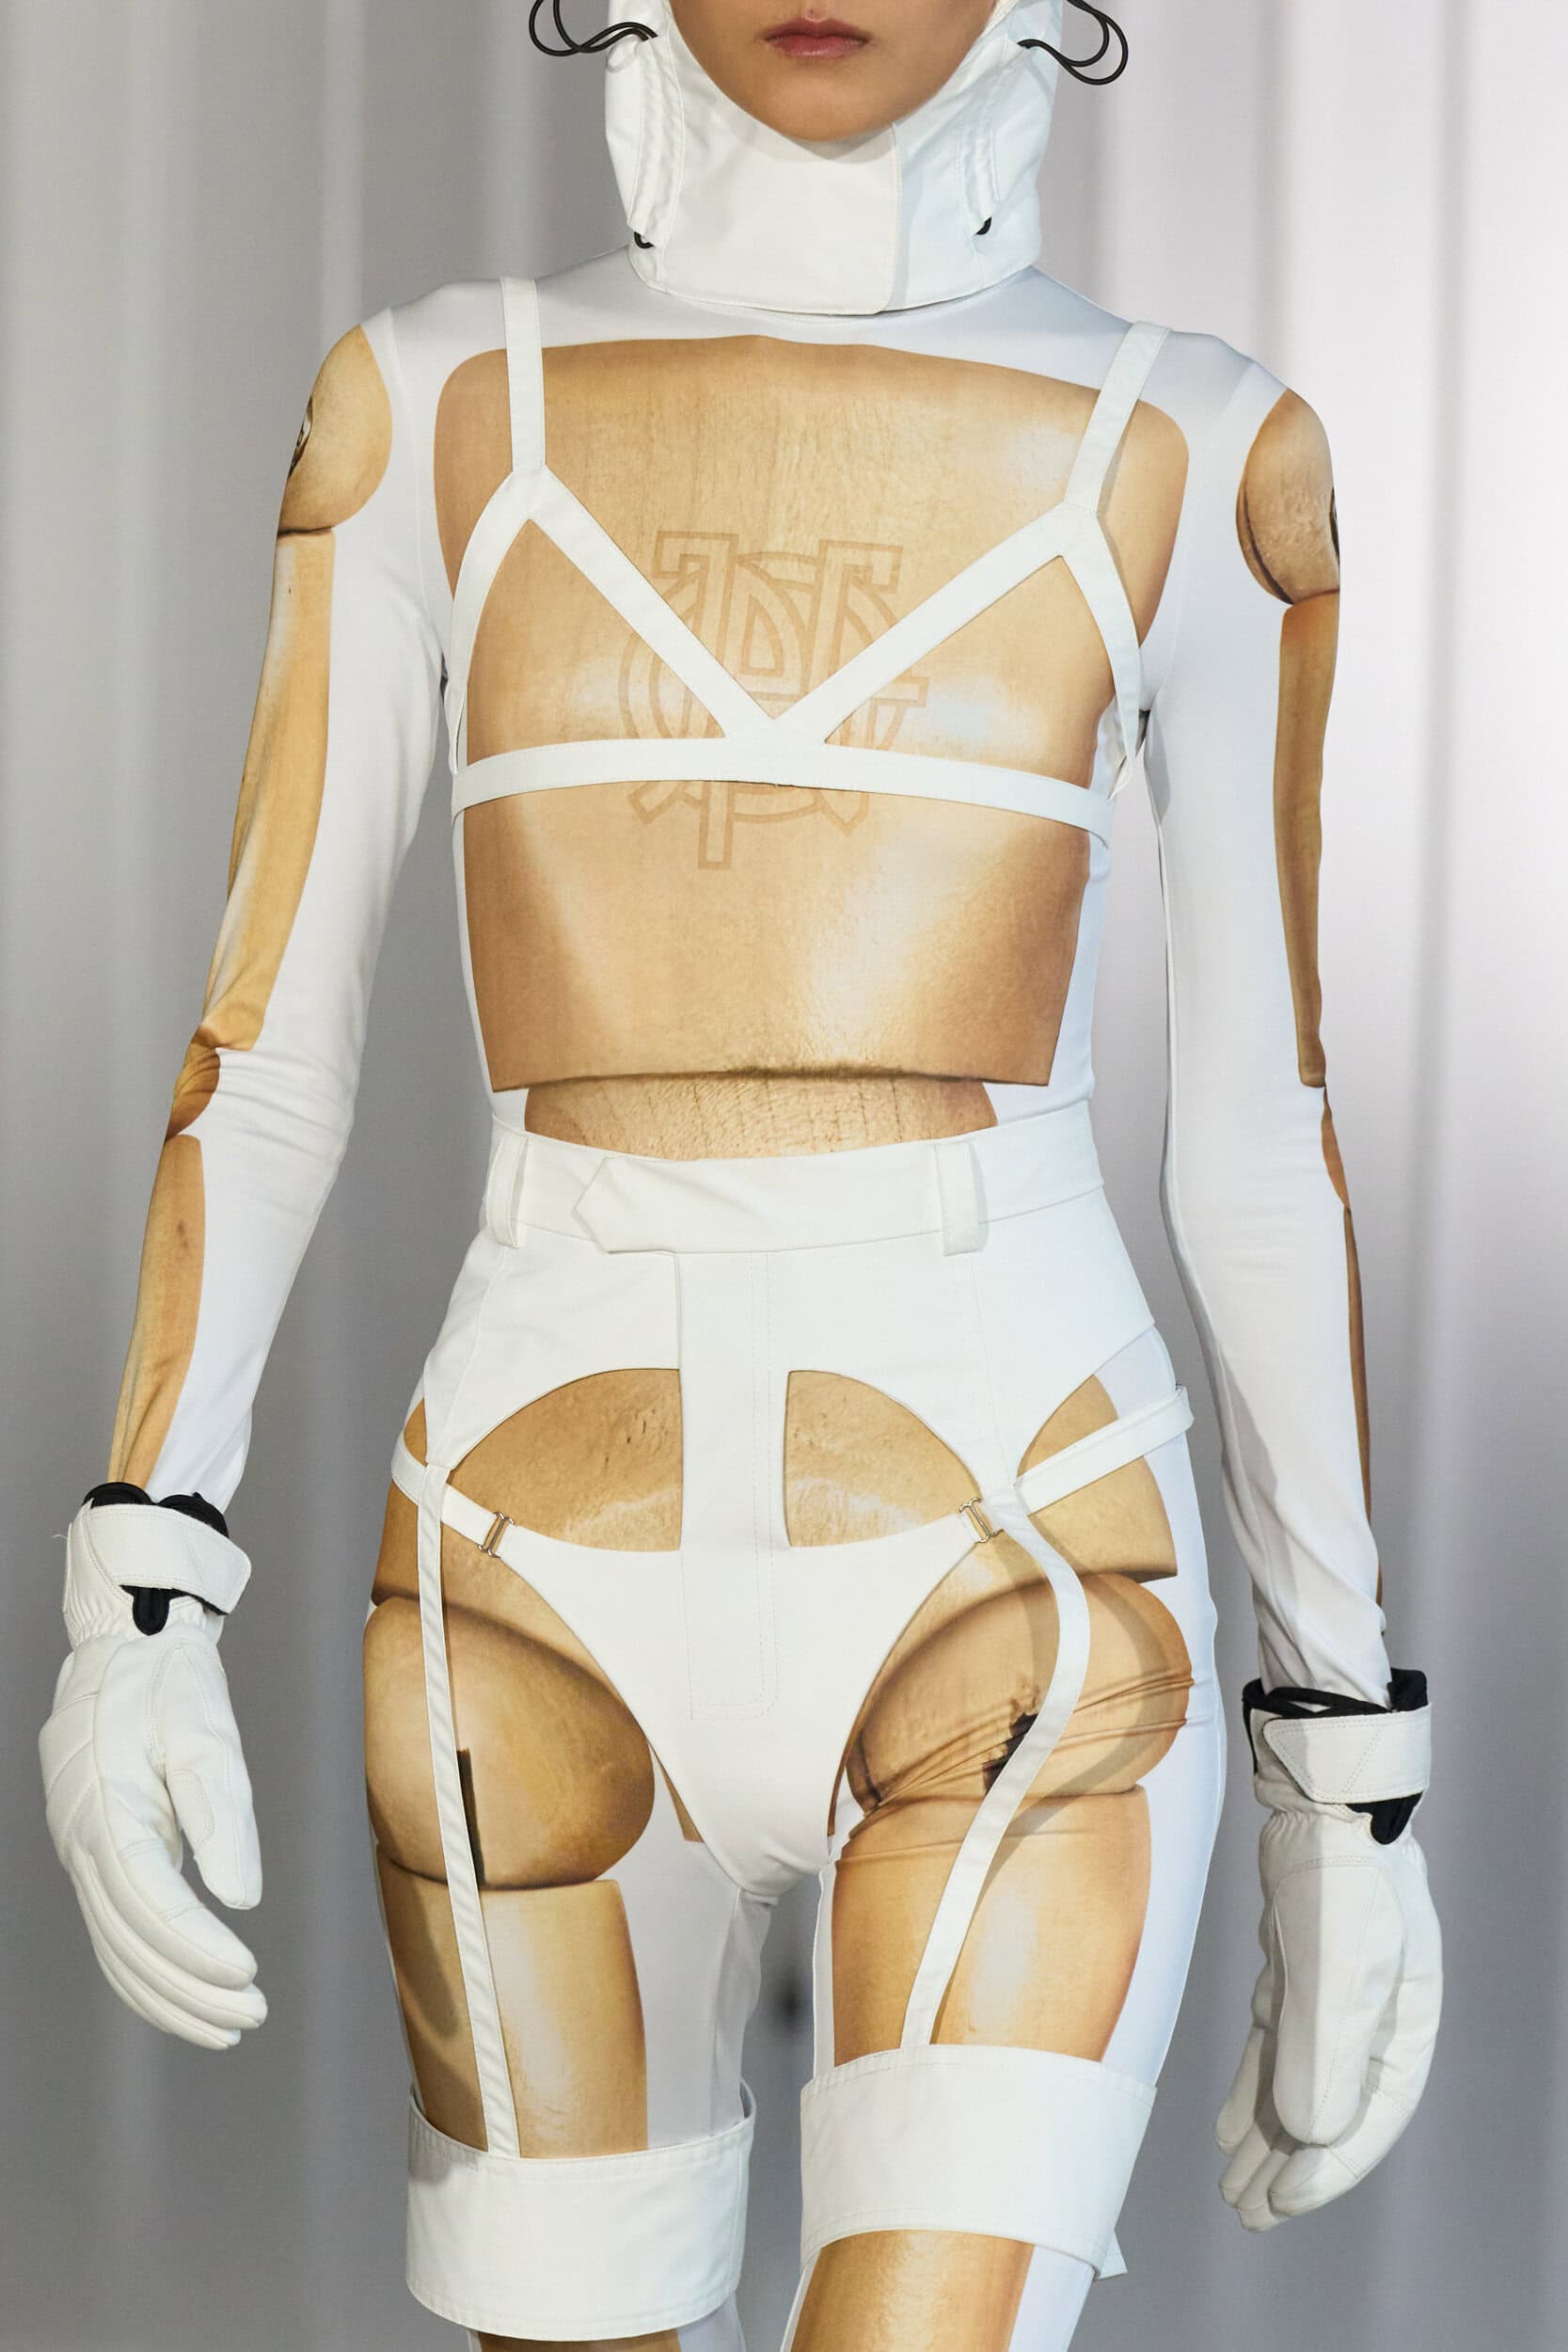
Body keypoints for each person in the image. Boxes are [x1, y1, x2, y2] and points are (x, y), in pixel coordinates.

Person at [39, 4, 1442, 2347]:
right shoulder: (428, 409)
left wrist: (1346, 1776)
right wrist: (137, 1600)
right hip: (528, 1602)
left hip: (1011, 1572)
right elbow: (267, 1052)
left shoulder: (1204, 454)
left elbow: (1258, 1145)